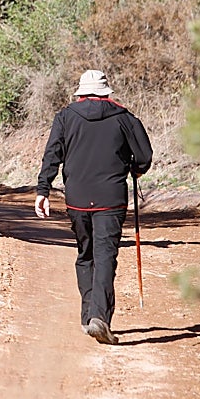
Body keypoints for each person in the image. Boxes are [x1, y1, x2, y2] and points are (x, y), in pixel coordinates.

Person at [34, 69, 153, 346]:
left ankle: (89, 315)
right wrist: (135, 169)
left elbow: (52, 155)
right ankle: (99, 316)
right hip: (111, 198)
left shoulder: (65, 117)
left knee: (85, 254)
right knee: (105, 256)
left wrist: (43, 190)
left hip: (77, 197)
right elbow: (145, 156)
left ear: (81, 92)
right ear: (105, 92)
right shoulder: (124, 117)